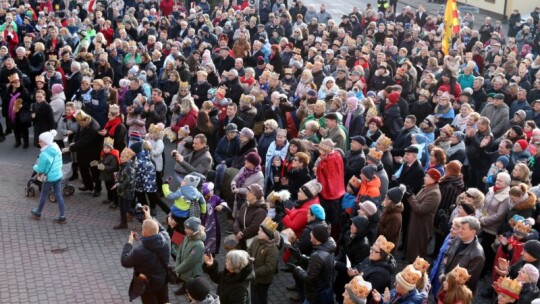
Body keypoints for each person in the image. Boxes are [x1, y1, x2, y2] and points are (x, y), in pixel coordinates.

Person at [121, 205, 171, 304]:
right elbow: (159, 228)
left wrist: (129, 242)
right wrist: (149, 216)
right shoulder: (166, 238)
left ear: (143, 232)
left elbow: (125, 261)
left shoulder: (139, 251)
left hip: (148, 285)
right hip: (162, 281)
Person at [292, 224, 337, 304]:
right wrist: (305, 258)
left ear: (316, 238)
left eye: (311, 234)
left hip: (315, 294)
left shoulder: (317, 256)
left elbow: (309, 278)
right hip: (324, 287)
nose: (310, 235)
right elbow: (321, 264)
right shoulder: (328, 246)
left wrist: (297, 269)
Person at [404, 168, 442, 262]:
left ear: (433, 179)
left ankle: (416, 271)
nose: (424, 178)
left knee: (418, 249)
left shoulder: (434, 193)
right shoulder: (427, 187)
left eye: (427, 176)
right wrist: (412, 194)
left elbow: (420, 209)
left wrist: (410, 197)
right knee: (413, 246)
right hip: (416, 222)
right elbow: (417, 200)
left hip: (421, 224)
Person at [30, 130, 66, 223]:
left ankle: (38, 212)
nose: (38, 143)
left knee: (43, 195)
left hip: (49, 178)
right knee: (58, 195)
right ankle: (62, 216)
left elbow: (40, 170)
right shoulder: (56, 147)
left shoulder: (43, 154)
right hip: (58, 175)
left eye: (40, 141)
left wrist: (34, 165)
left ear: (45, 142)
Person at [442, 216, 485, 292]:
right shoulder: (458, 239)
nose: (460, 231)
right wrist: (442, 274)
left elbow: (468, 280)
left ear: (473, 232)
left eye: (463, 229)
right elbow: (445, 256)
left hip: (456, 292)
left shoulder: (478, 255)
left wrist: (445, 279)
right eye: (460, 227)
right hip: (445, 284)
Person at [247, 217, 280, 304]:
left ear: (267, 234)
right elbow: (249, 250)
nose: (258, 232)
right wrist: (249, 258)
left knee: (261, 299)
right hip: (254, 277)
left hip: (263, 280)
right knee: (254, 298)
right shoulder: (256, 240)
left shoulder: (272, 249)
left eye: (261, 231)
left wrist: (254, 272)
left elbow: (269, 267)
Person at [172, 217, 206, 296]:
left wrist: (177, 270)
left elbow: (189, 262)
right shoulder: (187, 237)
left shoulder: (199, 245)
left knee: (190, 283)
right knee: (185, 279)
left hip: (192, 271)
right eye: (185, 228)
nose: (185, 230)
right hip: (184, 268)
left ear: (194, 229)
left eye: (187, 228)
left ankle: (188, 292)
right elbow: (180, 250)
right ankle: (184, 287)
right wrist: (177, 264)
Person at [232, 184, 268, 250]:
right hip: (241, 240)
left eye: (249, 192)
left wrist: (242, 234)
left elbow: (254, 227)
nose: (247, 193)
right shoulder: (245, 204)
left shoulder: (261, 211)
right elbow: (237, 218)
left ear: (255, 196)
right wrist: (237, 231)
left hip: (251, 244)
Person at [112, 148, 137, 230]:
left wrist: (119, 185)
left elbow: (129, 181)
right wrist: (116, 178)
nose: (120, 158)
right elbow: (120, 177)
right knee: (121, 207)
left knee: (127, 208)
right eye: (120, 156)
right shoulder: (123, 165)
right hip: (121, 191)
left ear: (128, 158)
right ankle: (123, 223)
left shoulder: (129, 168)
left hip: (128, 192)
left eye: (122, 157)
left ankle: (143, 216)